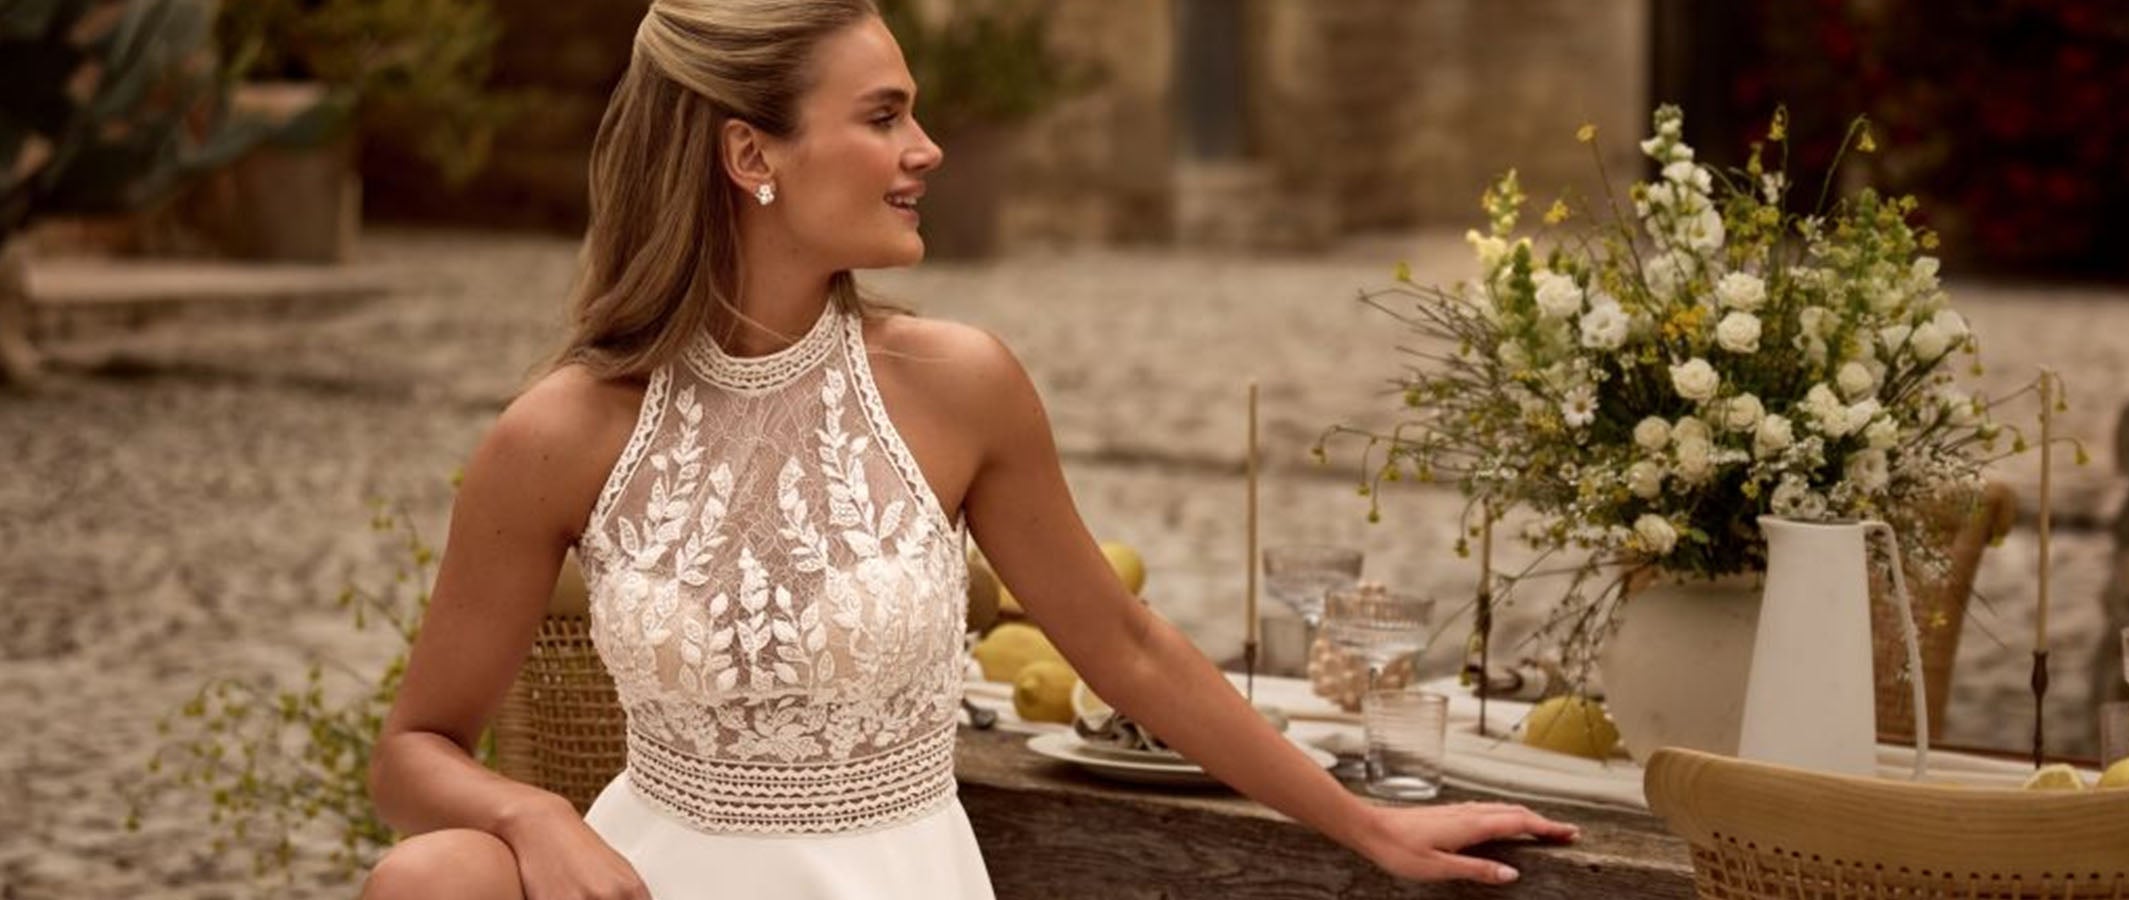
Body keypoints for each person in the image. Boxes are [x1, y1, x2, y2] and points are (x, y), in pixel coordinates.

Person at [358, 2, 1578, 897]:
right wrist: (532, 816)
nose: (927, 147)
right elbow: (413, 750)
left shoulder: (957, 387)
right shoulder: (561, 433)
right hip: (654, 873)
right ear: (749, 156)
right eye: (883, 115)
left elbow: (1127, 647)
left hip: (891, 876)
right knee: (432, 878)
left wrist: (1367, 823)